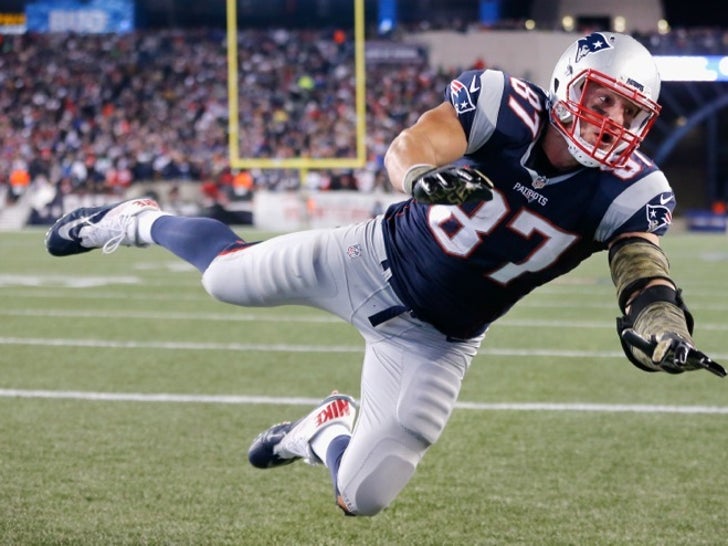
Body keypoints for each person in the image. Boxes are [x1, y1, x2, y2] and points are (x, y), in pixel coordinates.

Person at [44, 32, 725, 517]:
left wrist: (659, 317)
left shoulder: (633, 189)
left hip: (436, 342)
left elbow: (640, 264)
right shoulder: (502, 103)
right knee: (223, 279)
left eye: (630, 113)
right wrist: (423, 178)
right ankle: (134, 220)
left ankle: (322, 430)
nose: (612, 123)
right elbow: (413, 145)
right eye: (602, 101)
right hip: (367, 259)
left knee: (362, 499)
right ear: (565, 85)